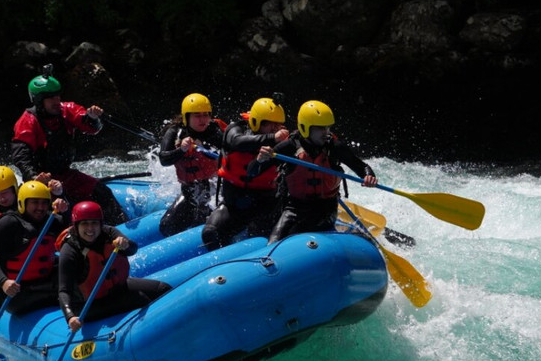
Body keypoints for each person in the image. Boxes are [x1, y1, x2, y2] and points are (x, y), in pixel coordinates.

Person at [9, 65, 128, 225]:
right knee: (61, 209)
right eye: (51, 98)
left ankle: (119, 230)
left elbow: (91, 127)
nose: (57, 101)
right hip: (42, 181)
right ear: (39, 100)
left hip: (66, 175)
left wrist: (92, 118)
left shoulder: (67, 110)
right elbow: (21, 157)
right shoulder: (28, 121)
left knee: (102, 191)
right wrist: (34, 177)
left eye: (57, 96)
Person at [266, 100, 378, 243]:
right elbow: (254, 170)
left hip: (325, 211)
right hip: (295, 210)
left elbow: (362, 167)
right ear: (305, 128)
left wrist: (369, 176)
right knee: (273, 243)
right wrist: (262, 159)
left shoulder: (334, 147)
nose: (327, 133)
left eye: (328, 128)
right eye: (320, 128)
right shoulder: (290, 146)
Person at [57, 201, 171, 330]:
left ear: (100, 224)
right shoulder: (70, 250)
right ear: (76, 226)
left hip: (117, 288)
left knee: (163, 288)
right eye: (85, 224)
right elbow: (64, 291)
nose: (90, 228)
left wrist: (126, 244)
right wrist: (70, 316)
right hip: (89, 304)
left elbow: (132, 250)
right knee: (139, 299)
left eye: (94, 223)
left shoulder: (109, 233)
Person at [200, 96, 290, 250]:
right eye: (270, 124)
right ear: (256, 122)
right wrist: (271, 138)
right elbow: (237, 142)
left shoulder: (283, 142)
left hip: (266, 205)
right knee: (211, 232)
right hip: (234, 204)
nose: (275, 129)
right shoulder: (236, 130)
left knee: (261, 235)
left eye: (278, 125)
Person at [0, 180, 67, 316]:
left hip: (46, 284)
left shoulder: (53, 221)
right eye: (35, 202)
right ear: (22, 203)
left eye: (44, 203)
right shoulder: (9, 223)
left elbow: (78, 233)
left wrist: (65, 208)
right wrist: (3, 281)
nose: (40, 207)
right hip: (17, 292)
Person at [157, 93, 226, 237]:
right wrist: (181, 149)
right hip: (189, 192)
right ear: (186, 117)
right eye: (197, 116)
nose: (203, 120)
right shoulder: (175, 132)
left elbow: (231, 151)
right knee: (166, 227)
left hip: (214, 191)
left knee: (203, 224)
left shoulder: (214, 130)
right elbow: (164, 159)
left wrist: (204, 148)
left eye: (205, 115)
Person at [0, 166, 66, 254]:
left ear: (14, 189)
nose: (1, 198)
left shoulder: (29, 201)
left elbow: (53, 211)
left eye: (4, 193)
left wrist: (58, 194)